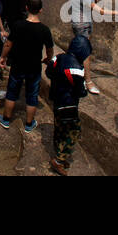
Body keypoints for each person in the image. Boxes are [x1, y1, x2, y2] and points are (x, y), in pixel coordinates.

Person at [0, 0, 53, 132]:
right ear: (41, 10)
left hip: (18, 64)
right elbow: (50, 49)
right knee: (32, 95)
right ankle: (28, 123)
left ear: (26, 8)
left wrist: (3, 57)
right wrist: (48, 59)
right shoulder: (44, 30)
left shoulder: (18, 25)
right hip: (34, 65)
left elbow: (8, 44)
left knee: (12, 92)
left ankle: (6, 119)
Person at [47, 34, 91, 175]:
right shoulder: (77, 69)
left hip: (56, 100)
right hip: (69, 104)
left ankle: (59, 153)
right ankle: (59, 160)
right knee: (73, 132)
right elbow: (81, 91)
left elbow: (48, 72)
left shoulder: (57, 58)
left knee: (59, 129)